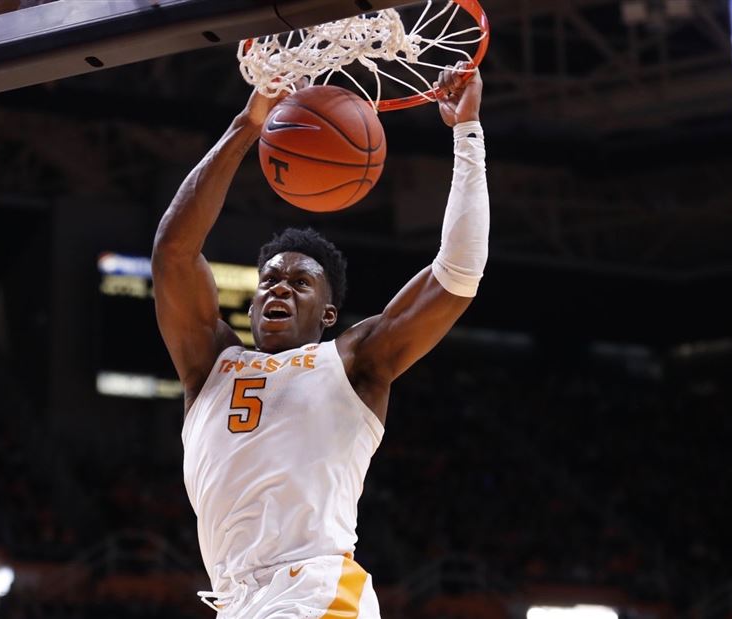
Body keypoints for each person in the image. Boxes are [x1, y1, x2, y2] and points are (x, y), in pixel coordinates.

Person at [151, 61, 488, 618]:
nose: (279, 289)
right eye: (270, 281)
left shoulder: (353, 361)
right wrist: (247, 125)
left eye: (300, 283)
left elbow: (456, 276)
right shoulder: (209, 363)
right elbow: (172, 253)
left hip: (312, 590)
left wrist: (466, 134)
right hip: (235, 600)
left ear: (328, 312)